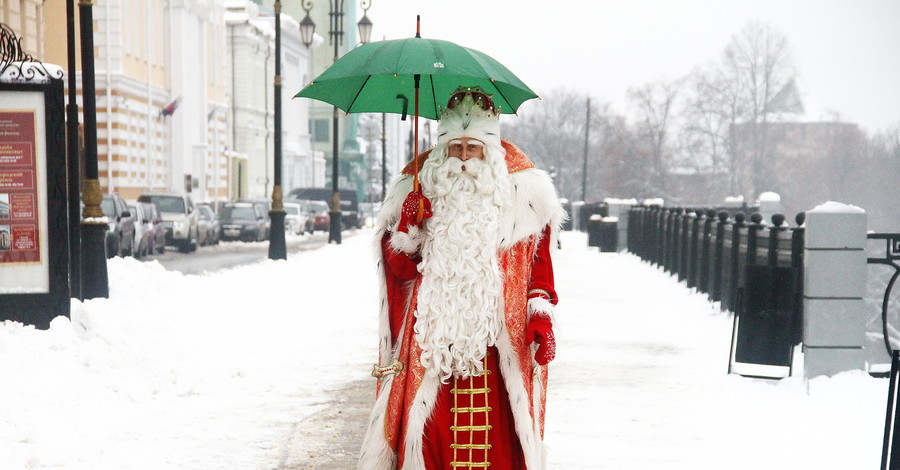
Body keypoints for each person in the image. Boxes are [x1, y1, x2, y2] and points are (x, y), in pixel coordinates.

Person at [359, 86, 565, 470]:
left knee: (500, 445)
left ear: (490, 149)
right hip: (432, 342)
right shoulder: (419, 186)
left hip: (496, 342)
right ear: (443, 150)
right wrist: (410, 225)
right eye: (456, 148)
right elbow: (399, 272)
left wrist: (540, 316)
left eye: (473, 148)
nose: (464, 158)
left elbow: (540, 267)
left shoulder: (524, 193)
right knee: (428, 439)